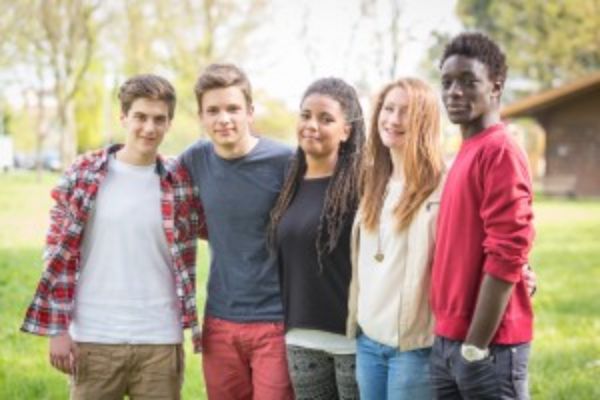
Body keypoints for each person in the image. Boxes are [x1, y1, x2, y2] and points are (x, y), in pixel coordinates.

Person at [21, 74, 205, 399]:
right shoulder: (83, 174)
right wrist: (58, 329)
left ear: (169, 123)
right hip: (94, 339)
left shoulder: (181, 181)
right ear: (124, 118)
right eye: (140, 117)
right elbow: (56, 252)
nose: (149, 128)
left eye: (159, 119)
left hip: (160, 340)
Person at [429, 32, 535, 399]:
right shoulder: (465, 151)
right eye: (446, 83)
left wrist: (474, 347)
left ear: (495, 88)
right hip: (447, 342)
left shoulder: (500, 150)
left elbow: (508, 251)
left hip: (489, 348)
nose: (454, 92)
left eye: (468, 81)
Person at [179, 64, 294, 400]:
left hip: (276, 320)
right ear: (201, 116)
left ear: (250, 112)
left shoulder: (285, 161)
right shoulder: (194, 159)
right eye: (213, 110)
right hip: (219, 320)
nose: (223, 119)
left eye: (233, 108)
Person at [347, 77, 445, 400]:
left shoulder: (443, 185)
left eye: (406, 112)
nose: (393, 120)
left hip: (413, 349)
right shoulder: (372, 179)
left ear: (424, 121)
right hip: (367, 342)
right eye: (388, 109)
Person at [269, 78, 365, 400]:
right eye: (306, 115)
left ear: (346, 130)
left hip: (352, 341)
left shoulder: (364, 185)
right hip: (300, 339)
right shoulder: (288, 182)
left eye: (326, 119)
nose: (312, 125)